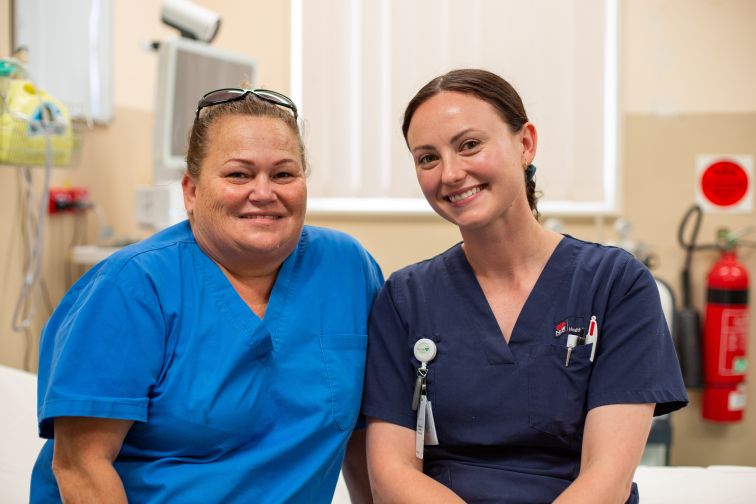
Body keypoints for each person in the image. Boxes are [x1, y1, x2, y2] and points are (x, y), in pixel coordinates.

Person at [31, 87, 382, 503]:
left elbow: (364, 436)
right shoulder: (131, 287)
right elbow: (79, 466)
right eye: (239, 174)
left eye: (284, 174)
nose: (264, 192)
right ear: (192, 192)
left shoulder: (347, 269)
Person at [361, 69, 688, 504]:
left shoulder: (615, 284)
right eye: (427, 158)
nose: (451, 173)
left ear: (525, 143)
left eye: (469, 145)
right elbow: (391, 472)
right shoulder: (405, 297)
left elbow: (607, 476)